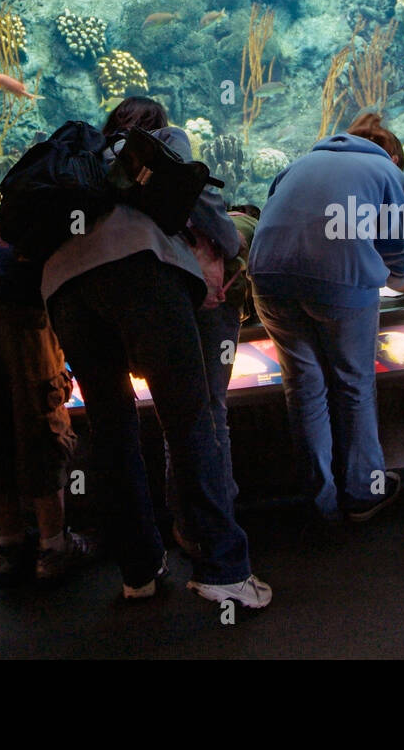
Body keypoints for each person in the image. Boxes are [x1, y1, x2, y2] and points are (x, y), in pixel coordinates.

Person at [41, 98, 270, 607]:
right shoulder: (161, 143)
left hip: (64, 290)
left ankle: (138, 570)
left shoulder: (81, 161)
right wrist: (232, 242)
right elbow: (201, 205)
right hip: (140, 274)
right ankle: (224, 570)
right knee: (188, 420)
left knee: (113, 428)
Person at [249, 113, 404, 522]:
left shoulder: (298, 164)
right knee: (354, 385)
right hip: (339, 282)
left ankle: (318, 501)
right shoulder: (386, 171)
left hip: (267, 279)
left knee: (304, 387)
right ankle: (362, 491)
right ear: (392, 154)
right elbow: (396, 260)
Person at [0, 213, 92, 587]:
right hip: (19, 300)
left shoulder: (0, 225)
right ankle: (54, 548)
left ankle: (8, 546)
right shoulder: (70, 226)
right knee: (39, 413)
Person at [167, 203, 260, 559]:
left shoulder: (183, 224)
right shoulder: (248, 225)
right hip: (215, 311)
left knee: (178, 414)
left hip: (176, 304)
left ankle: (185, 519)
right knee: (213, 412)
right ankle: (220, 514)